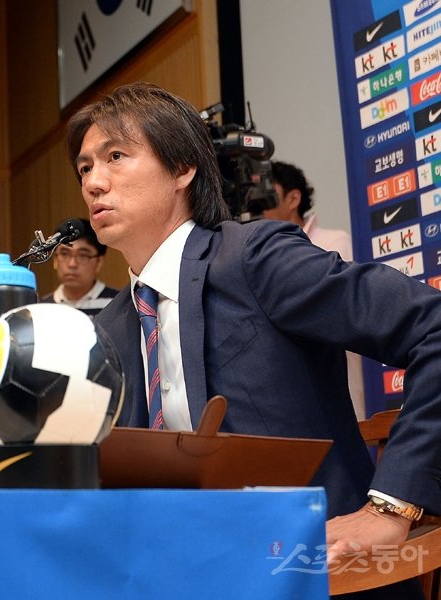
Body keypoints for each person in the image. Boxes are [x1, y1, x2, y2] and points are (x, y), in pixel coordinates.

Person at [66, 82, 441, 599]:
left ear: (182, 169)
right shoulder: (110, 327)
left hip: (319, 573)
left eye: (115, 157)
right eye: (84, 167)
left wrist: (391, 505)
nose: (93, 182)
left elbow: (433, 327)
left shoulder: (254, 258)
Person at [264, 160, 366, 421]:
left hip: (340, 397)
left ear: (293, 198)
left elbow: (341, 313)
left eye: (268, 193)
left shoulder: (333, 242)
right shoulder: (256, 257)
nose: (259, 204)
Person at [41, 217, 118, 318]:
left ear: (99, 262)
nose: (72, 264)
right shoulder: (41, 308)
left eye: (83, 256)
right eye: (64, 254)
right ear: (55, 259)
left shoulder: (117, 304)